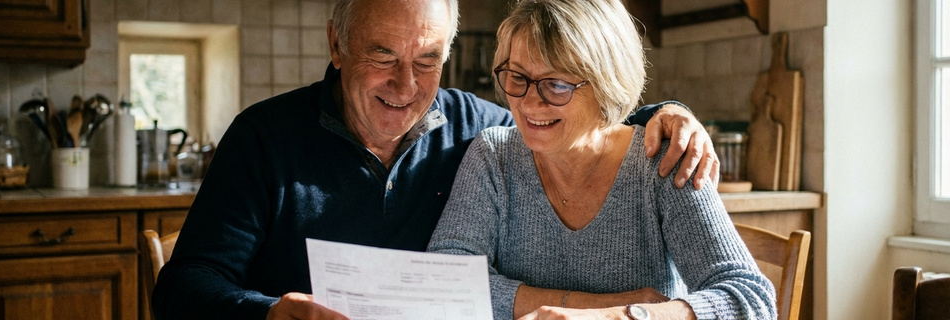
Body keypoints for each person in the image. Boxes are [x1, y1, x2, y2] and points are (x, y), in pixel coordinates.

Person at [151, 0, 718, 319]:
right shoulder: (263, 138)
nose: (406, 84)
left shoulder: (481, 129)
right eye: (382, 55)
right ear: (336, 45)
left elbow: (572, 114)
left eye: (427, 60)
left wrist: (664, 114)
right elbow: (182, 288)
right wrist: (271, 314)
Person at [427, 0, 776, 319]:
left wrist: (624, 317)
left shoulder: (661, 162)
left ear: (607, 83)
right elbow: (445, 280)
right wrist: (594, 306)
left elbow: (752, 299)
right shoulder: (495, 155)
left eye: (557, 84)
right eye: (518, 77)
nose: (530, 103)